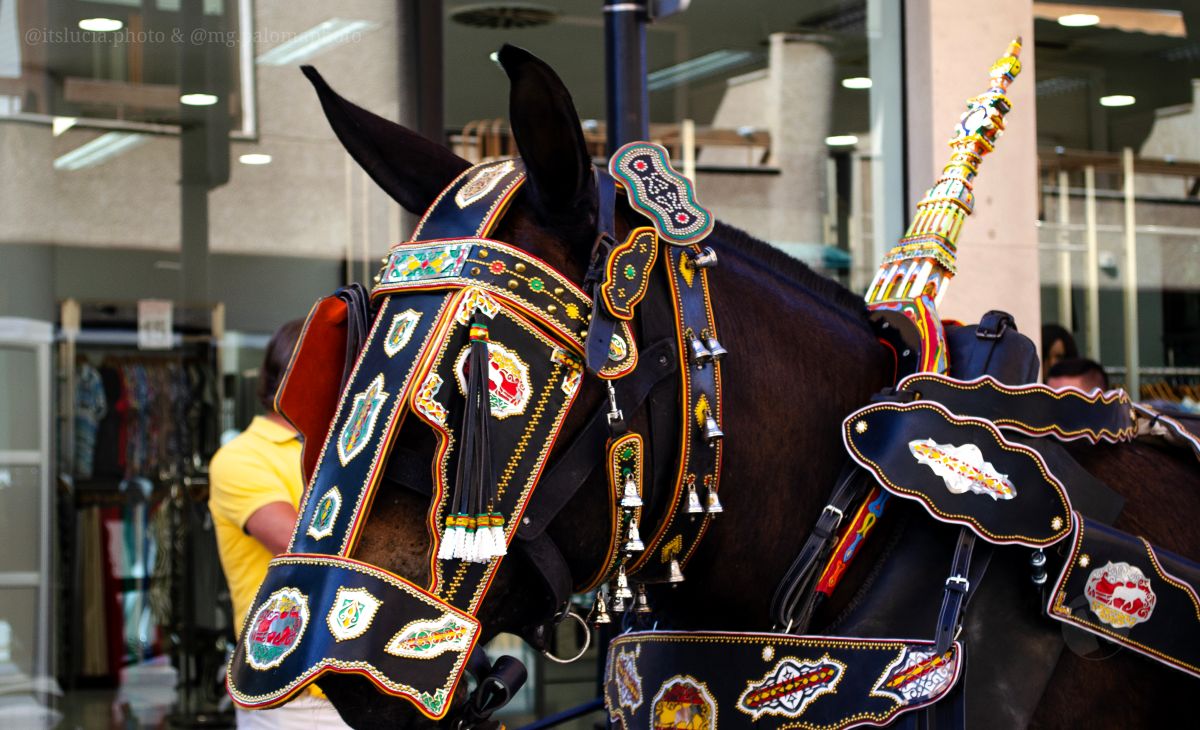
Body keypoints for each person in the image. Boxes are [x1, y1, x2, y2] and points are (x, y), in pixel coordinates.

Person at [209, 319, 350, 729]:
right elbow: (312, 555)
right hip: (296, 698)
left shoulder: (344, 448)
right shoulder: (241, 458)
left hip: (365, 687)